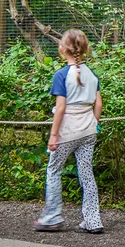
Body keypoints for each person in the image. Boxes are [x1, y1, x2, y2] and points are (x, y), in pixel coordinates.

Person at [34, 29, 104, 234]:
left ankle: (52, 217)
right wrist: (95, 123)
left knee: (54, 169)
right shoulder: (92, 74)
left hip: (68, 131)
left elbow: (61, 108)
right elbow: (98, 104)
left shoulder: (61, 75)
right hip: (88, 130)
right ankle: (93, 220)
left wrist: (54, 135)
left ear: (63, 49)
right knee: (86, 174)